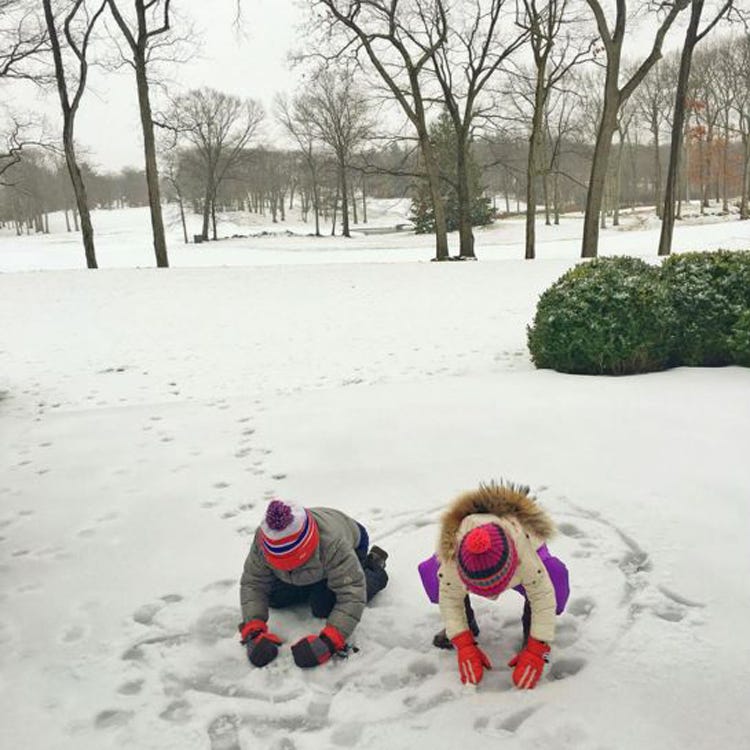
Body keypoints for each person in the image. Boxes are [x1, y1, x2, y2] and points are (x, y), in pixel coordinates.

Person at [428, 480, 569, 689]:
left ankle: (531, 633)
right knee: (432, 575)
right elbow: (449, 595)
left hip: (524, 551)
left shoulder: (524, 551)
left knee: (554, 579)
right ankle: (469, 624)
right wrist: (463, 642)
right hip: (473, 562)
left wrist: (536, 647)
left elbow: (542, 595)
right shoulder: (454, 555)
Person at [238, 498, 389, 669]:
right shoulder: (263, 540)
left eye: (294, 562)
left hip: (352, 542)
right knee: (274, 597)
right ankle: (312, 584)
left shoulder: (333, 544)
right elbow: (254, 582)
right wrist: (253, 630)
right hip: (315, 566)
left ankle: (374, 567)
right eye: (280, 564)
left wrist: (329, 642)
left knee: (323, 605)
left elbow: (351, 593)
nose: (289, 568)